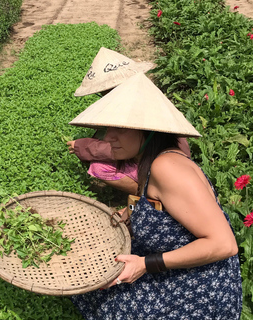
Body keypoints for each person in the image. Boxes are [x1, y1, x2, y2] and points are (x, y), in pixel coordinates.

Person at [68, 73, 242, 319]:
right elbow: (160, 206)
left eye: (120, 129)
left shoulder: (167, 168)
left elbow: (224, 245)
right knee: (92, 280)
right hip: (177, 266)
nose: (108, 137)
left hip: (201, 288)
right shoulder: (148, 161)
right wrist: (130, 214)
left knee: (109, 300)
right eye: (109, 128)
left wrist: (144, 265)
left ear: (149, 130)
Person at [68, 47, 169, 194]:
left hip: (156, 165)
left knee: (98, 167)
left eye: (105, 93)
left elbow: (117, 148)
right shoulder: (141, 99)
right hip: (149, 159)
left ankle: (147, 194)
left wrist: (83, 147)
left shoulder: (140, 110)